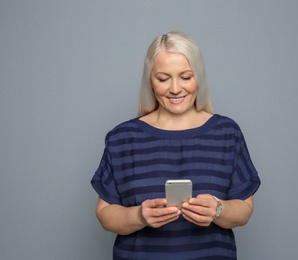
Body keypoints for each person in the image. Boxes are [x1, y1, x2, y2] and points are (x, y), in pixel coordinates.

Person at [91, 31, 260, 259]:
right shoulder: (123, 138)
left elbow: (244, 210)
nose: (175, 89)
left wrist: (218, 209)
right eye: (163, 79)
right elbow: (105, 214)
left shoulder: (227, 133)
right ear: (150, 81)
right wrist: (139, 216)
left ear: (198, 77)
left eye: (186, 77)